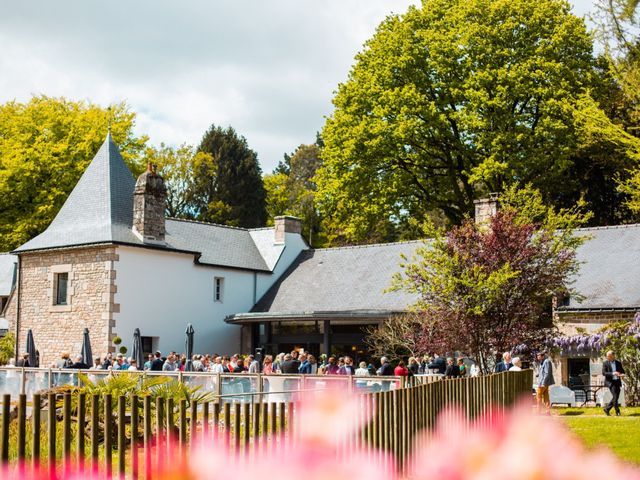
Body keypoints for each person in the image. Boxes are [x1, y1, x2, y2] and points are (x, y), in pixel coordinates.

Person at [602, 350, 625, 416]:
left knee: (616, 397)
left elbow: (622, 371)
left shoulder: (618, 363)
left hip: (617, 382)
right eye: (607, 356)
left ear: (613, 356)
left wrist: (622, 374)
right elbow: (604, 373)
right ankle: (617, 412)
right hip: (610, 382)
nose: (607, 357)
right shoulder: (605, 363)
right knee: (615, 396)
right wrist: (613, 373)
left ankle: (607, 409)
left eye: (608, 356)